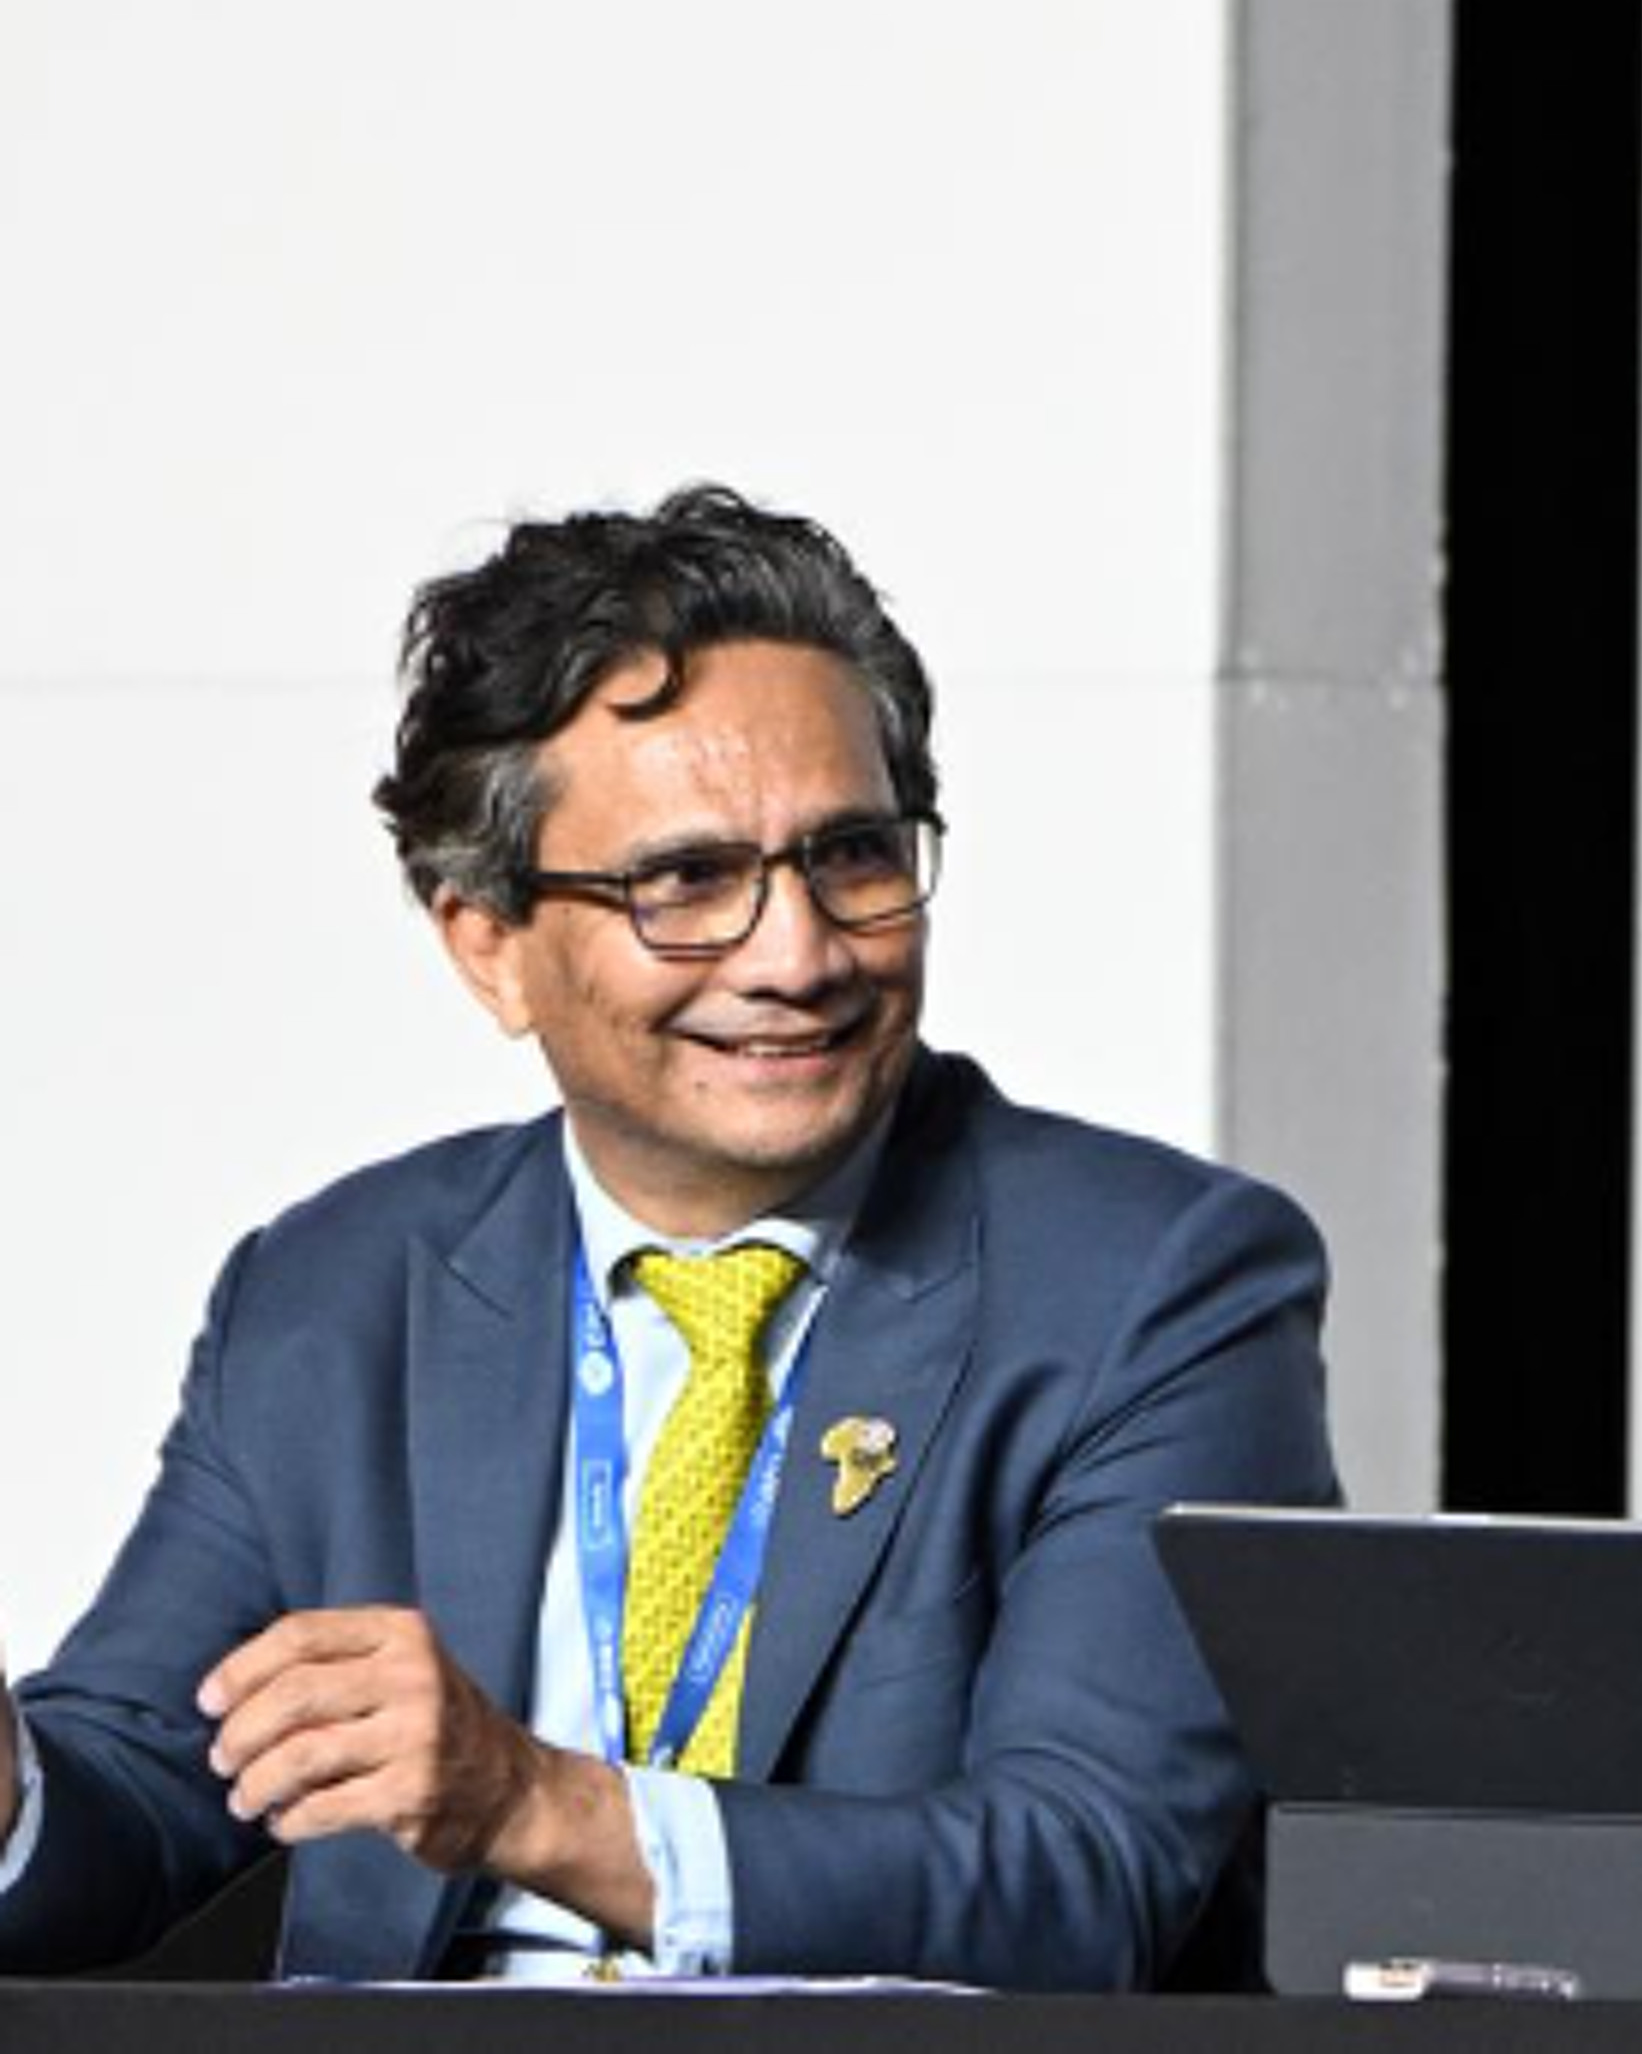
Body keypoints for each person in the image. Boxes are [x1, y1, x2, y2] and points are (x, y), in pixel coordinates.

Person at [0, 485, 1337, 1984]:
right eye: (686, 882)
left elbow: (1084, 1877)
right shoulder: (335, 1292)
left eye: (854, 856)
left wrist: (538, 1806)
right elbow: (129, 1802)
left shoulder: (1157, 1282)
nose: (799, 954)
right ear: (487, 943)